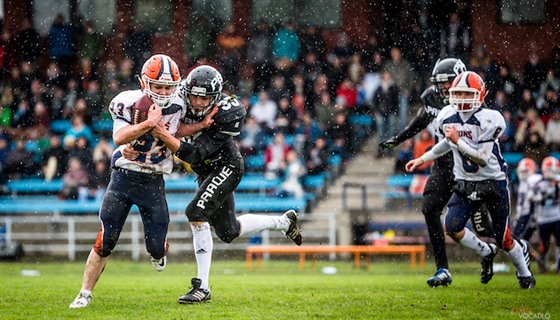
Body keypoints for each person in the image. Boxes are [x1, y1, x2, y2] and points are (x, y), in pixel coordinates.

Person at [126, 65, 303, 304]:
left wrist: (164, 135)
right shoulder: (175, 98)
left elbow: (194, 154)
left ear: (216, 96)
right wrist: (134, 144)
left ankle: (203, 287)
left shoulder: (230, 111)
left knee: (195, 211)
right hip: (205, 170)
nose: (198, 102)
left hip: (226, 165)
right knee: (229, 231)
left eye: (205, 97)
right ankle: (283, 221)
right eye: (194, 95)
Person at [69, 54, 184, 309]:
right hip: (123, 177)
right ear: (145, 83)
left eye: (168, 87)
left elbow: (182, 132)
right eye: (158, 86)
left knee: (155, 247)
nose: (164, 92)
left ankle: (159, 251)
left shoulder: (180, 104)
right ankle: (85, 292)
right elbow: (120, 137)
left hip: (153, 180)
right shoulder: (127, 102)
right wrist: (149, 123)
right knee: (106, 239)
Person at [405, 71, 535, 289]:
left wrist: (457, 140)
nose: (463, 99)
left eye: (467, 94)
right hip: (465, 182)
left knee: (504, 239)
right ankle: (485, 251)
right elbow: (447, 143)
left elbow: (482, 159)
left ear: (480, 94)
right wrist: (423, 158)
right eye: (459, 94)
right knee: (452, 226)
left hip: (493, 182)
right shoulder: (448, 114)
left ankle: (524, 272)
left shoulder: (489, 118)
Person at [379, 58, 493, 287]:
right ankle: (443, 268)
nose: (443, 88)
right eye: (440, 83)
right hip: (442, 164)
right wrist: (399, 139)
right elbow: (422, 120)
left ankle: (503, 252)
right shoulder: (432, 98)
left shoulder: (472, 100)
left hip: (467, 168)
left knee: (485, 227)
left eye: (447, 82)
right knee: (430, 208)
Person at [529, 156, 560, 273]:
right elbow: (530, 196)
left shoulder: (558, 181)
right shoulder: (537, 181)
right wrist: (540, 197)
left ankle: (559, 266)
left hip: (557, 216)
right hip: (543, 218)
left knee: (559, 242)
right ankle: (543, 267)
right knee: (544, 245)